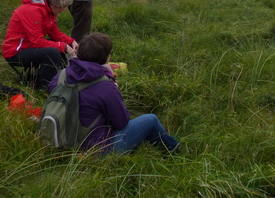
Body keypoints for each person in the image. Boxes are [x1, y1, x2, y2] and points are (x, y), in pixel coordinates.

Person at [48, 32, 179, 155]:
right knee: (151, 120)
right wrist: (115, 92)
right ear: (106, 58)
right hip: (97, 151)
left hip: (63, 140)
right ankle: (175, 152)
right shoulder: (106, 87)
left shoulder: (62, 75)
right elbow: (120, 123)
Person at [2, 0, 78, 90]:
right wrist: (62, 46)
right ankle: (48, 87)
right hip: (15, 52)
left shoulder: (49, 10)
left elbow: (55, 33)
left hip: (29, 46)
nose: (64, 9)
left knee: (56, 46)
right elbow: (37, 41)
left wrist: (71, 42)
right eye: (63, 6)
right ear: (54, 2)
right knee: (53, 52)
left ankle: (61, 78)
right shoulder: (32, 10)